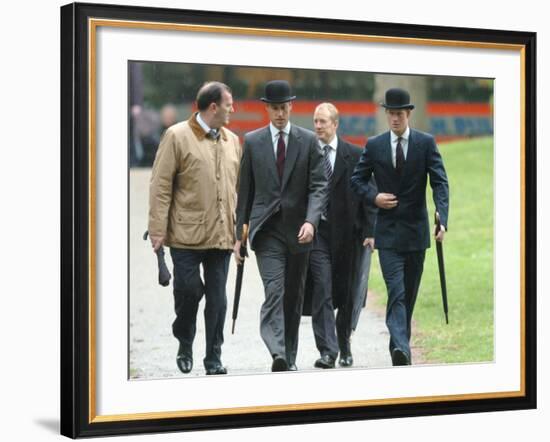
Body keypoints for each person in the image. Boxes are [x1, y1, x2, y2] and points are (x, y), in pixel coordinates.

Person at [351, 88, 449, 366]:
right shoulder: (375, 145)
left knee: (409, 291)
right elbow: (357, 181)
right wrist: (374, 197)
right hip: (388, 234)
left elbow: (440, 182)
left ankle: (399, 343)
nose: (394, 118)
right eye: (390, 113)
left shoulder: (425, 143)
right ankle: (402, 349)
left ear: (408, 114)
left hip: (417, 234)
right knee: (396, 291)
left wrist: (443, 215)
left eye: (399, 113)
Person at [148, 81, 241, 375]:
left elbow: (238, 189)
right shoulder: (176, 136)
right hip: (185, 236)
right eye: (229, 104)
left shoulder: (232, 141)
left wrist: (241, 232)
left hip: (222, 236)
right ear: (213, 107)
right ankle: (185, 341)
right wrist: (157, 229)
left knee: (218, 301)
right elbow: (160, 185)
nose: (232, 109)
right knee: (188, 292)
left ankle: (213, 357)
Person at [234, 80, 327, 372]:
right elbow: (244, 191)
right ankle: (277, 351)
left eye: (284, 108)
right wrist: (239, 235)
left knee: (293, 297)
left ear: (291, 107)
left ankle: (289, 353)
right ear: (267, 109)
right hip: (267, 232)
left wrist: (311, 221)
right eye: (274, 108)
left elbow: (319, 186)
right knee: (274, 291)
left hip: (299, 231)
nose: (279, 114)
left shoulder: (308, 140)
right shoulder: (252, 141)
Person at [305, 103, 377, 369]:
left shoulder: (355, 155)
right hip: (318, 234)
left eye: (323, 121)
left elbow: (370, 195)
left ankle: (344, 341)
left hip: (349, 234)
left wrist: (370, 231)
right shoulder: (308, 152)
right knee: (321, 289)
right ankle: (327, 350)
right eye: (315, 121)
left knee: (346, 294)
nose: (318, 126)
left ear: (336, 124)